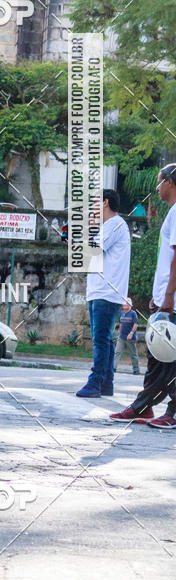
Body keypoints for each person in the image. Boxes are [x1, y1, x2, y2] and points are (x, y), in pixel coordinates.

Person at [111, 164, 176, 429]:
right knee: (158, 356)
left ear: (170, 182)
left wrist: (169, 297)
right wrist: (159, 295)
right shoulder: (172, 212)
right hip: (166, 298)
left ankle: (167, 410)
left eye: (159, 182)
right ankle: (145, 406)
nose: (157, 188)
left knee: (167, 357)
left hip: (172, 300)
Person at [76, 189, 131, 398]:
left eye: (95, 202)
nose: (92, 207)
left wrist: (87, 230)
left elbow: (92, 250)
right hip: (100, 290)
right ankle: (106, 383)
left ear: (105, 203)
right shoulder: (108, 226)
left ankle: (95, 382)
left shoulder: (114, 224)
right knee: (105, 339)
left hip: (107, 292)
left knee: (100, 339)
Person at [113, 298, 140, 375]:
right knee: (117, 352)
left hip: (130, 338)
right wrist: (119, 332)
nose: (125, 304)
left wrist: (131, 333)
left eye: (127, 303)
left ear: (130, 305)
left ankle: (136, 370)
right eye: (124, 303)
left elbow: (136, 324)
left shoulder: (133, 313)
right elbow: (121, 323)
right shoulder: (122, 313)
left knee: (133, 354)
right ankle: (113, 368)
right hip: (121, 337)